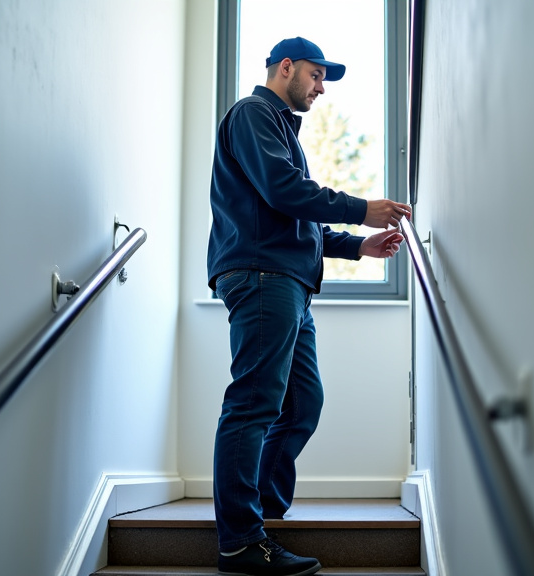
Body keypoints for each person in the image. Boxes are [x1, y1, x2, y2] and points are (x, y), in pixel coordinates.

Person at [206, 37, 411, 576]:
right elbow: (285, 191)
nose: (321, 89)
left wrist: (355, 244)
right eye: (317, 77)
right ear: (286, 68)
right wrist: (362, 210)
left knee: (302, 404)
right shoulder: (254, 114)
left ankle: (260, 517)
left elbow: (296, 216)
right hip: (262, 275)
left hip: (288, 280)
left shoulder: (278, 130)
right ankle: (239, 541)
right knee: (253, 403)